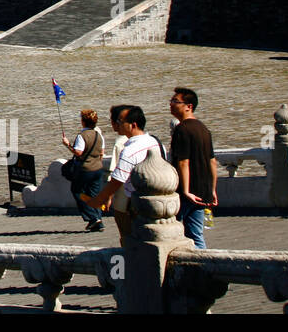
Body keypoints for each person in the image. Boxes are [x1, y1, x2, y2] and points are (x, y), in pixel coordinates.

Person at [81, 106, 161, 245]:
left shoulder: (129, 150)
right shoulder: (154, 142)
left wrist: (99, 200)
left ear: (133, 125)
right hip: (156, 200)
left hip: (134, 204)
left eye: (120, 121)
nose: (117, 124)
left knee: (130, 240)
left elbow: (117, 181)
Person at [169, 88, 217, 249]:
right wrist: (212, 189)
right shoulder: (203, 129)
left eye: (176, 101)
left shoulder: (182, 129)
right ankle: (202, 266)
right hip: (203, 190)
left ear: (188, 106)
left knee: (170, 230)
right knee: (196, 234)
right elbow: (212, 162)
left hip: (187, 193)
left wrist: (186, 190)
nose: (171, 104)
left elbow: (183, 162)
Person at [62, 109, 107, 231]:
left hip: (85, 169)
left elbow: (78, 152)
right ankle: (98, 221)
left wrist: (67, 145)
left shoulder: (82, 136)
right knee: (94, 195)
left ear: (83, 122)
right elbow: (101, 153)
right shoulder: (99, 135)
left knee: (77, 191)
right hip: (98, 169)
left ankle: (93, 218)